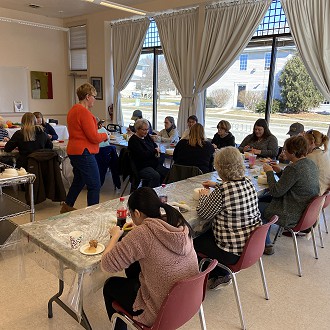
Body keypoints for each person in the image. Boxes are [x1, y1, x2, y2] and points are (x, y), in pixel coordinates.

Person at [102, 187, 199, 329]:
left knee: (110, 285)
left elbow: (107, 264)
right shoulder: (177, 221)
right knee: (133, 266)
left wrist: (116, 235)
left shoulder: (143, 234)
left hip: (161, 311)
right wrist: (138, 229)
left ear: (136, 213)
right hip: (188, 300)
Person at [194, 147, 262, 290]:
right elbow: (233, 189)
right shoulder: (248, 182)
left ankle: (218, 274)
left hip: (230, 252)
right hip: (249, 246)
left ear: (219, 167)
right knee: (208, 233)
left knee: (193, 240)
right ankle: (218, 272)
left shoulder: (222, 191)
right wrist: (217, 184)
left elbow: (203, 213)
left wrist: (203, 196)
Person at [259, 136, 320, 255]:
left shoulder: (293, 168)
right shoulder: (310, 163)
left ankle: (266, 245)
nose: (283, 152)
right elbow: (293, 183)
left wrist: (269, 172)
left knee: (256, 207)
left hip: (291, 213)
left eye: (285, 150)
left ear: (292, 152)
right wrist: (280, 172)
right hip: (303, 211)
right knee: (262, 198)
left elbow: (276, 191)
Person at [60, 83, 108, 213]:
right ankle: (92, 214)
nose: (95, 100)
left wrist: (95, 128)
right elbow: (93, 137)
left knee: (79, 180)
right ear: (87, 96)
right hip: (84, 152)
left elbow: (81, 131)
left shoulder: (73, 110)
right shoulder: (85, 113)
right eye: (94, 96)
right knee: (94, 185)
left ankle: (67, 206)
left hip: (74, 151)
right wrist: (105, 135)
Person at [128, 119, 168, 188]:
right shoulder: (133, 140)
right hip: (141, 167)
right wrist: (154, 151)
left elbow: (154, 145)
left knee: (167, 173)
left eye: (147, 129)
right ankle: (149, 194)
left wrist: (155, 150)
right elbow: (143, 155)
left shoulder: (147, 137)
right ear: (137, 129)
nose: (146, 132)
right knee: (155, 176)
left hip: (151, 164)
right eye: (144, 130)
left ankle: (159, 191)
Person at [95, 119, 121, 189]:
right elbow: (107, 139)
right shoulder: (103, 129)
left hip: (97, 154)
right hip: (107, 153)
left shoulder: (92, 131)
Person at [304, 129, 330, 195]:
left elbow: (295, 172)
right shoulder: (324, 153)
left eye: (304, 141)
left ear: (312, 142)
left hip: (314, 194)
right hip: (323, 193)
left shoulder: (310, 157)